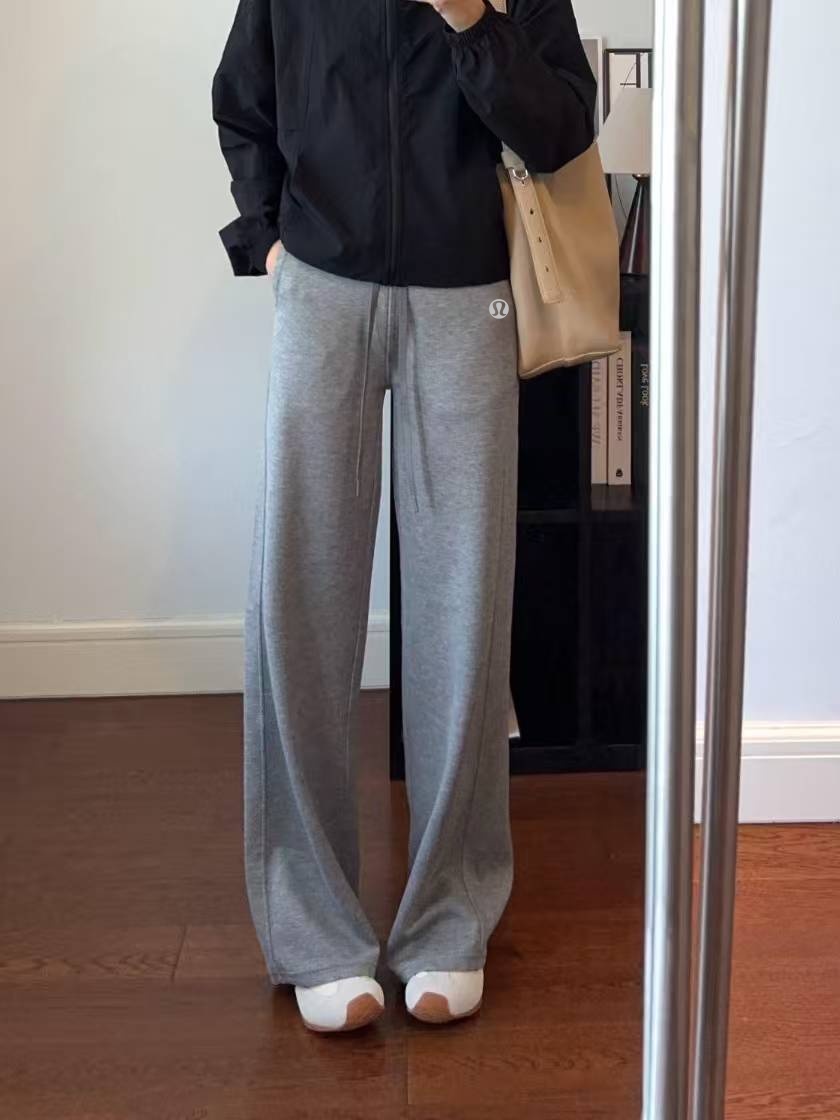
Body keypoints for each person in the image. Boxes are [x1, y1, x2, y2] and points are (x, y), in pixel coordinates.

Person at [211, 0, 596, 1033]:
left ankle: (447, 921)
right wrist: (268, 242)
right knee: (298, 602)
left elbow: (563, 130)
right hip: (322, 291)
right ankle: (314, 934)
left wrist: (473, 21)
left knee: (465, 608)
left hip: (469, 298)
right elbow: (243, 104)